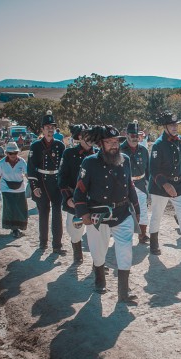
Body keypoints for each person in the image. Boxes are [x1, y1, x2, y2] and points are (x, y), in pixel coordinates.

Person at [74, 125, 140, 301]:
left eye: (116, 141)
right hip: (98, 215)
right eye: (109, 142)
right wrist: (83, 213)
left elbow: (130, 186)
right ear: (100, 144)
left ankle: (124, 292)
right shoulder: (89, 162)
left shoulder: (125, 159)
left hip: (122, 212)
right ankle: (99, 280)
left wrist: (137, 207)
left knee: (125, 251)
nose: (114, 145)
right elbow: (79, 190)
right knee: (98, 251)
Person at [148, 111, 181, 255]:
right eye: (171, 125)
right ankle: (153, 244)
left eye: (176, 124)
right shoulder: (158, 145)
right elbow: (153, 169)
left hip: (180, 184)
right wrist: (165, 184)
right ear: (164, 127)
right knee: (157, 215)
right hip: (161, 186)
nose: (175, 127)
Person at [27, 110, 67, 254]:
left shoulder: (60, 146)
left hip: (56, 182)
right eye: (47, 127)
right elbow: (31, 168)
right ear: (42, 129)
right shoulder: (35, 146)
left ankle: (57, 245)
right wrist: (34, 186)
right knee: (43, 213)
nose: (50, 129)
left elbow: (64, 167)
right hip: (42, 182)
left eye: (52, 127)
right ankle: (43, 242)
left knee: (57, 214)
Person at [58, 124, 96, 264]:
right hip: (75, 199)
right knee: (75, 230)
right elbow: (62, 178)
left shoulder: (97, 153)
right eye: (87, 135)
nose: (91, 139)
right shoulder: (69, 154)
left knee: (96, 230)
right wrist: (68, 198)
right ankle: (77, 250)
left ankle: (97, 262)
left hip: (94, 200)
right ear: (80, 137)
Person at [120, 120, 151, 244]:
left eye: (137, 136)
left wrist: (149, 184)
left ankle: (142, 235)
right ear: (127, 135)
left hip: (140, 184)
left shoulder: (143, 150)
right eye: (132, 135)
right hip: (124, 185)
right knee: (124, 211)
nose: (135, 138)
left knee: (143, 210)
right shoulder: (120, 149)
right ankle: (123, 236)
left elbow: (148, 169)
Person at [0, 142, 28, 238]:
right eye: (10, 153)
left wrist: (34, 186)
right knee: (10, 209)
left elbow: (27, 174)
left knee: (21, 209)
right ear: (6, 153)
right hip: (6, 189)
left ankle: (19, 227)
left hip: (20, 189)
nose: (13, 155)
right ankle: (14, 229)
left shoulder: (22, 162)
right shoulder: (2, 163)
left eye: (15, 153)